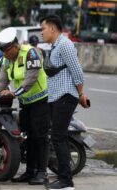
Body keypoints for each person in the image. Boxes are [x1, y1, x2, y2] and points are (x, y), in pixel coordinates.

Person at [0, 27, 49, 186]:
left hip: (40, 102)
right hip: (25, 103)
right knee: (28, 137)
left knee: (40, 137)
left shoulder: (31, 53)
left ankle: (42, 173)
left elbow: (31, 78)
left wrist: (14, 93)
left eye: (6, 50)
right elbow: (2, 81)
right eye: (3, 51)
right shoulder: (7, 60)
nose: (4, 54)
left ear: (14, 46)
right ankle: (30, 172)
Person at [40, 15, 90, 190]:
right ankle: (64, 179)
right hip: (56, 97)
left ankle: (66, 181)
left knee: (58, 137)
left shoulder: (65, 45)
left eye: (43, 28)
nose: (41, 32)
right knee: (56, 137)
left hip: (65, 97)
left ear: (52, 29)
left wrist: (81, 93)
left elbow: (77, 72)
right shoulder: (55, 46)